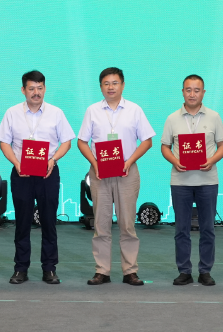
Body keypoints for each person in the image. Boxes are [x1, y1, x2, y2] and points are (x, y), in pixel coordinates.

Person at [77, 67, 155, 286]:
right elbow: (82, 141)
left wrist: (129, 161)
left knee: (127, 224)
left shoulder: (134, 110)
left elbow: (147, 141)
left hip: (127, 173)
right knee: (101, 224)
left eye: (115, 83)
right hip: (100, 174)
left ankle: (130, 271)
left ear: (123, 85)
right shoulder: (92, 110)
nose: (110, 87)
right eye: (106, 83)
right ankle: (102, 271)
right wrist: (95, 164)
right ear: (100, 86)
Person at [0, 70, 75, 285]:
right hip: (21, 173)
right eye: (31, 88)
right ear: (23, 90)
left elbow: (67, 141)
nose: (36, 92)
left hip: (48, 173)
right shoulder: (12, 113)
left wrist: (53, 159)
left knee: (49, 221)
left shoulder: (56, 113)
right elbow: (4, 142)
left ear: (45, 89)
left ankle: (49, 268)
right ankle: (20, 268)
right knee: (22, 222)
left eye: (40, 88)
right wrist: (16, 163)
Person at [160, 74, 223, 286]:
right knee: (181, 229)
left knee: (208, 229)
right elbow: (165, 147)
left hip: (207, 181)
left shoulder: (214, 117)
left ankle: (205, 271)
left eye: (196, 90)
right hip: (180, 182)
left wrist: (212, 160)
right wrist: (174, 161)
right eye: (188, 90)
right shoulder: (172, 119)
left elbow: (222, 145)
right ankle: (184, 271)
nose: (192, 94)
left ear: (203, 93)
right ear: (182, 92)